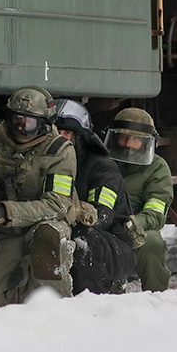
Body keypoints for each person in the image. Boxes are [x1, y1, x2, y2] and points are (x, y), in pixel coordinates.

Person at [0, 87, 77, 306]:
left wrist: (8, 211)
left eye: (29, 122)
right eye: (15, 118)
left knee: (49, 236)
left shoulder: (59, 151)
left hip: (44, 223)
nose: (20, 126)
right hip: (5, 232)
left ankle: (58, 306)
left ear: (43, 123)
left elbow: (57, 204)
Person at [52, 99, 138, 295]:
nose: (61, 139)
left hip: (113, 244)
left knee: (84, 242)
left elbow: (101, 217)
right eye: (56, 133)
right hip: (63, 228)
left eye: (67, 133)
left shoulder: (102, 168)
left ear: (79, 138)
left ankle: (92, 302)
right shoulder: (45, 163)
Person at [105, 107, 173, 291]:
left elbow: (156, 212)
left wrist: (132, 224)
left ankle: (156, 295)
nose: (127, 143)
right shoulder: (103, 161)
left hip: (134, 229)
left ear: (145, 143)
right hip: (102, 225)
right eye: (123, 137)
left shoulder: (157, 168)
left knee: (151, 242)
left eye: (135, 139)